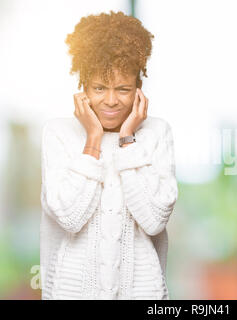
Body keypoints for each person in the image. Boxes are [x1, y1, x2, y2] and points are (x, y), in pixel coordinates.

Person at [39, 11, 178, 300]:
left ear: (139, 90)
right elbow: (70, 217)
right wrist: (93, 139)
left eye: (123, 89)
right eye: (99, 88)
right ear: (83, 89)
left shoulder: (156, 133)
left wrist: (128, 140)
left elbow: (154, 220)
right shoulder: (58, 133)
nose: (111, 100)